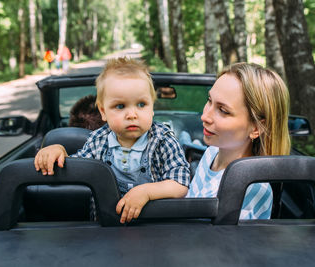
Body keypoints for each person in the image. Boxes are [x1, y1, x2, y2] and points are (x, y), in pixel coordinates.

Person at [34, 57, 190, 223]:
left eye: (141, 104)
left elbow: (180, 183)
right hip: (106, 226)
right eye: (120, 106)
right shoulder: (98, 141)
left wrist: (146, 192)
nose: (132, 114)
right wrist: (58, 150)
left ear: (152, 108)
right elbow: (77, 167)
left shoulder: (163, 140)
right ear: (103, 111)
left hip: (158, 226)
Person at [186, 62, 291, 220]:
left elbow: (222, 243)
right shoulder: (212, 152)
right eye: (209, 101)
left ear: (256, 128)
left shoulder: (252, 188)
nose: (204, 116)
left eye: (223, 110)